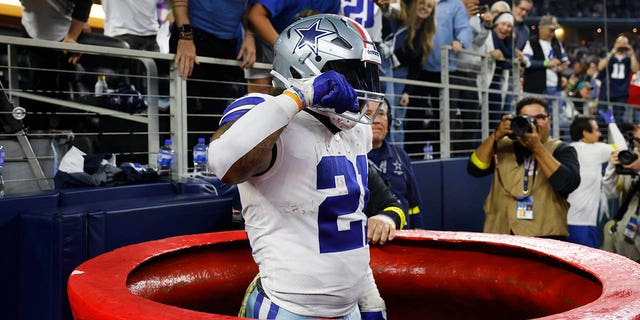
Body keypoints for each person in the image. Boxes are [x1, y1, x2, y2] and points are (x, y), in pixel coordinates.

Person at [209, 14, 393, 319]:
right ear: (304, 67)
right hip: (287, 309)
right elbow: (223, 161)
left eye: (367, 76)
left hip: (349, 309)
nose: (363, 89)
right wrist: (300, 94)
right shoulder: (266, 115)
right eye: (352, 75)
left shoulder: (356, 131)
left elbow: (350, 222)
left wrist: (368, 295)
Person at [467, 96, 581, 238]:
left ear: (549, 120)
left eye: (540, 117)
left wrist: (537, 147)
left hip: (543, 237)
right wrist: (495, 136)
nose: (533, 123)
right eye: (527, 118)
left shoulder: (562, 149)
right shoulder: (502, 146)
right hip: (499, 234)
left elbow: (568, 184)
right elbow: (474, 169)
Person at [246, 0, 340, 94]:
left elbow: (329, 26)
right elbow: (256, 15)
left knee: (302, 90)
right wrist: (286, 48)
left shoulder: (333, 2)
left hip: (303, 46)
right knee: (261, 90)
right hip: (268, 37)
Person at [567, 112, 626, 247]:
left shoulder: (570, 147)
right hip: (583, 222)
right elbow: (622, 149)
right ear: (585, 134)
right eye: (596, 130)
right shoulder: (594, 149)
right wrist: (611, 123)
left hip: (566, 219)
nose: (599, 134)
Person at [368, 98, 425, 229]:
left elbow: (414, 205)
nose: (376, 120)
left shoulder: (400, 155)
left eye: (381, 114)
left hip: (403, 241)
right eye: (368, 114)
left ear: (389, 120)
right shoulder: (351, 159)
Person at [388, 0, 436, 145]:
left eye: (429, 6)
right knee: (387, 115)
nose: (424, 8)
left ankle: (398, 158)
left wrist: (407, 92)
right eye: (422, 3)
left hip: (402, 76)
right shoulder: (401, 20)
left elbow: (416, 66)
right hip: (385, 69)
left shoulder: (426, 34)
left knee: (397, 121)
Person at [602, 125, 640, 261]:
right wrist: (612, 168)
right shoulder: (631, 162)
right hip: (623, 241)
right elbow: (611, 193)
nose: (636, 146)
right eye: (636, 141)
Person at [597, 35, 640, 124]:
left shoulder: (629, 59)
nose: (621, 46)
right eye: (619, 43)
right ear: (615, 44)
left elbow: (635, 70)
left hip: (621, 91)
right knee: (601, 116)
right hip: (607, 90)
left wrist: (632, 54)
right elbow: (600, 67)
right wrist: (613, 51)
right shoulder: (608, 56)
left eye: (624, 43)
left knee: (618, 118)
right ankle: (602, 135)